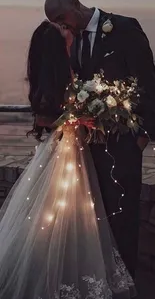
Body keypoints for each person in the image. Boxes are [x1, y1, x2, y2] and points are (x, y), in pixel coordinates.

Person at [0, 21, 136, 298]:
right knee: (57, 216)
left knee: (68, 216)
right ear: (57, 45)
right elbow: (45, 118)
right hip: (64, 151)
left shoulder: (55, 71)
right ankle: (51, 275)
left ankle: (60, 268)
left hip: (70, 150)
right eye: (65, 33)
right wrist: (78, 118)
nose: (70, 35)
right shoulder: (56, 77)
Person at [44, 0, 155, 279]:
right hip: (87, 148)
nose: (60, 25)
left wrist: (141, 137)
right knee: (93, 219)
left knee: (124, 215)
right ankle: (101, 279)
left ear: (75, 4)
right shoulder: (70, 40)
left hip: (124, 145)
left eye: (60, 18)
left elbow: (148, 82)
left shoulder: (124, 29)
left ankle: (127, 280)